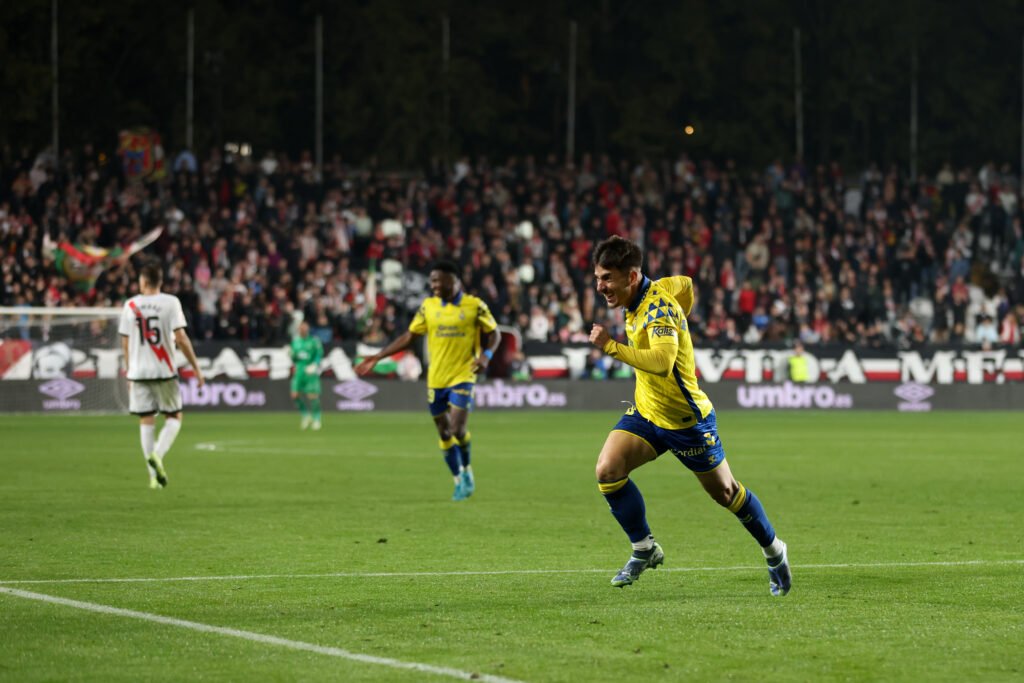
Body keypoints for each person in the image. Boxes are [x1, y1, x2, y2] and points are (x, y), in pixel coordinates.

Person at [588, 236, 791, 595]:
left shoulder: (657, 309)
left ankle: (774, 551)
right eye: (598, 278)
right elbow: (686, 284)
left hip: (686, 422)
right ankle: (644, 548)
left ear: (631, 277)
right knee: (608, 470)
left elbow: (663, 362)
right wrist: (684, 316)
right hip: (648, 412)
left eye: (607, 278)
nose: (600, 287)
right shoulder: (648, 293)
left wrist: (611, 347)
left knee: (726, 493)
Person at [355, 260, 501, 501]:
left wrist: (486, 355)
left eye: (437, 280)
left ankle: (467, 470)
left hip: (463, 374)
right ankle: (458, 480)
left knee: (457, 429)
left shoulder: (474, 306)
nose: (433, 285)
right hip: (436, 379)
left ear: (453, 280)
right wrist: (379, 356)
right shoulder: (428, 307)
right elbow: (409, 336)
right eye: (431, 281)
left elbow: (494, 333)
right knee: (444, 433)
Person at [119, 261, 205, 489]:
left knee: (146, 418)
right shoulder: (171, 302)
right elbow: (181, 338)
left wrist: (129, 371)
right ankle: (157, 455)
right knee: (174, 416)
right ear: (160, 281)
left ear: (144, 281)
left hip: (138, 372)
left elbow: (125, 342)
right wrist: (196, 368)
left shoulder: (130, 305)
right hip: (164, 370)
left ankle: (152, 478)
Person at [289, 320, 324, 430]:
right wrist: (291, 354)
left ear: (308, 329)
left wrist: (315, 364)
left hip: (310, 371)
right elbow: (294, 358)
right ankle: (305, 416)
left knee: (312, 395)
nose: (303, 329)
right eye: (301, 327)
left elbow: (319, 354)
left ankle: (317, 418)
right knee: (295, 395)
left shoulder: (314, 341)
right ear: (299, 329)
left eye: (305, 327)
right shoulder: (295, 342)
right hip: (299, 371)